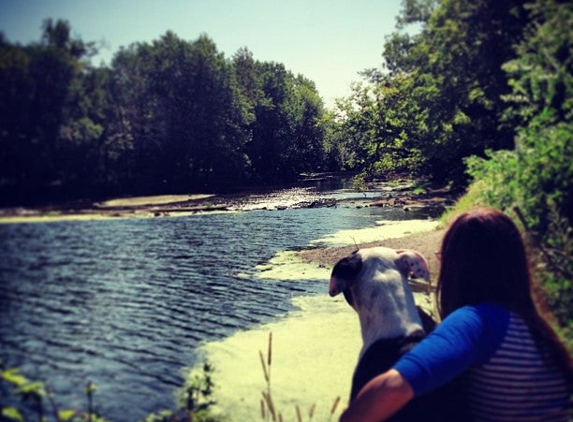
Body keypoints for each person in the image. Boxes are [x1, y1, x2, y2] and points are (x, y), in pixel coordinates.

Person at [340, 208, 573, 422]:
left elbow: (391, 388)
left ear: (457, 266)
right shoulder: (536, 327)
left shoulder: (476, 322)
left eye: (443, 256)